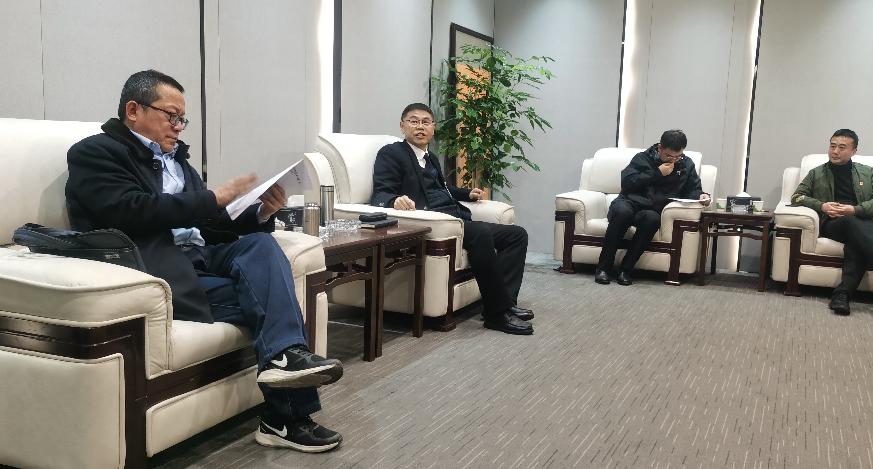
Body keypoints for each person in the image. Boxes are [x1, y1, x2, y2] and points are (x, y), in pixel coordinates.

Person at [65, 70, 344, 452]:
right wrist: (212, 197)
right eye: (171, 116)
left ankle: (285, 364)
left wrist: (261, 212)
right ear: (133, 110)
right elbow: (130, 211)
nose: (179, 127)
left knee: (262, 247)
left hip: (200, 256)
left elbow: (210, 224)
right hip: (157, 268)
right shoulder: (95, 153)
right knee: (272, 298)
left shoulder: (176, 161)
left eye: (183, 119)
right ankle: (287, 417)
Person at [370, 103, 534, 335]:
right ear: (402, 125)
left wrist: (466, 194)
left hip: (456, 219)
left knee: (517, 235)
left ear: (433, 127)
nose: (420, 127)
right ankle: (497, 315)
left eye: (425, 122)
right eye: (413, 121)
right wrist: (394, 200)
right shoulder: (391, 153)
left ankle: (505, 302)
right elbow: (380, 193)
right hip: (436, 223)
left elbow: (442, 189)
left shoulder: (431, 158)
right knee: (481, 234)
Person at [790, 129, 873, 315]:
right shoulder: (816, 173)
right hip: (835, 223)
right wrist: (822, 206)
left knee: (855, 241)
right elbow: (797, 197)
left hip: (870, 223)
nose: (835, 151)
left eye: (842, 147)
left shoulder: (869, 172)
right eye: (832, 146)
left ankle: (841, 296)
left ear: (853, 151)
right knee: (850, 223)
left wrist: (855, 209)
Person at [595, 130, 711, 286]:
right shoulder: (642, 158)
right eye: (669, 156)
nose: (674, 160)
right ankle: (603, 268)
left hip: (651, 209)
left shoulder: (686, 164)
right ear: (660, 148)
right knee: (622, 213)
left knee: (652, 219)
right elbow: (627, 183)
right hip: (628, 202)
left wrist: (702, 195)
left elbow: (693, 189)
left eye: (678, 156)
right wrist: (658, 173)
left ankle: (625, 270)